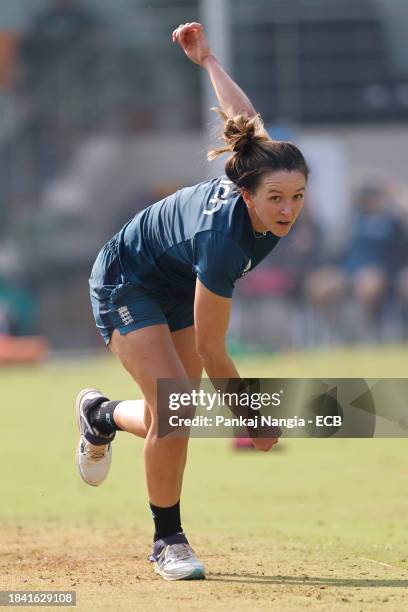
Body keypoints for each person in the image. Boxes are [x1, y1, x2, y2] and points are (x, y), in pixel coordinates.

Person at [75, 22, 309, 581]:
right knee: (179, 412)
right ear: (248, 194)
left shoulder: (255, 164)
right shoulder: (226, 241)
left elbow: (244, 124)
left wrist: (207, 61)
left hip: (177, 282)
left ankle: (99, 415)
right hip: (126, 279)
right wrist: (252, 416)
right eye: (275, 198)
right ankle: (167, 541)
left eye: (298, 196)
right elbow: (211, 346)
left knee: (171, 413)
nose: (287, 209)